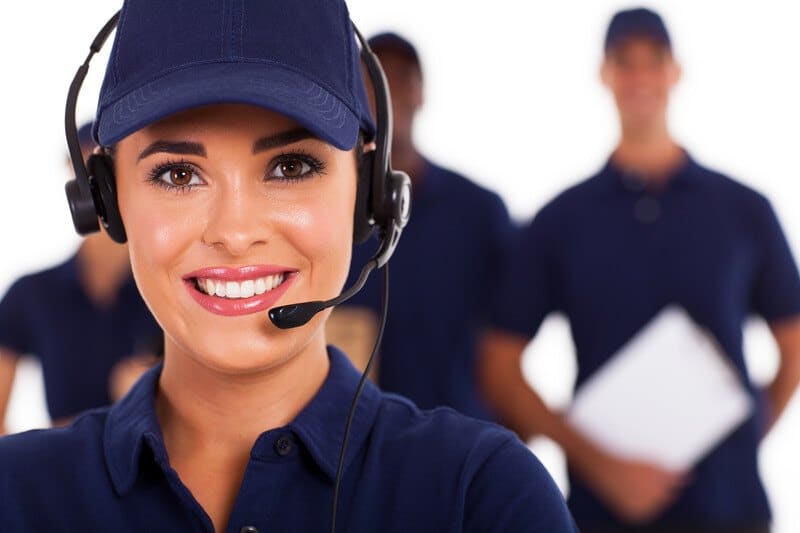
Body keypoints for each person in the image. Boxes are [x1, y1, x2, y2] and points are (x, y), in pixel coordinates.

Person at [0, 1, 577, 531]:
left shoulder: (483, 497)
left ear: (369, 194)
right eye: (179, 174)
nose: (234, 231)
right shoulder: (17, 496)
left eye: (291, 167)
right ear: (106, 199)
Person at [479, 7, 800, 533]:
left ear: (676, 71)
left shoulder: (744, 208)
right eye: (624, 62)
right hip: (602, 513)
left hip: (731, 511)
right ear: (605, 75)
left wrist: (740, 434)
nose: (640, 76)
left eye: (654, 61)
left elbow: (793, 340)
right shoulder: (563, 219)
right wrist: (600, 465)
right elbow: (499, 365)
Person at [328, 32, 515, 421]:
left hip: (458, 443)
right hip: (345, 447)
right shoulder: (319, 210)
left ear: (421, 91)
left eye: (400, 78)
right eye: (374, 79)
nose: (388, 93)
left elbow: (508, 348)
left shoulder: (480, 211)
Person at [0, 122, 161, 434]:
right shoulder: (31, 293)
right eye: (94, 180)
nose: (105, 195)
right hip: (68, 475)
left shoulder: (179, 287)